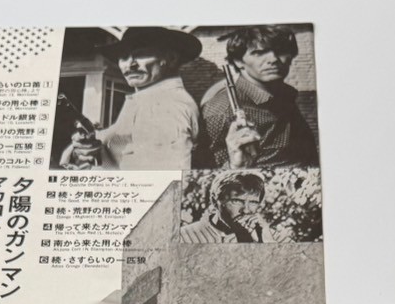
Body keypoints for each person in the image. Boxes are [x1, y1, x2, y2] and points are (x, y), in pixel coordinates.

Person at [60, 27, 202, 170]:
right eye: (123, 57)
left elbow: (158, 177)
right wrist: (88, 147)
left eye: (141, 54)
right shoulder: (148, 99)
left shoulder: (164, 106)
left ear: (171, 59)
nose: (130, 65)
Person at [200, 25, 318, 168]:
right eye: (259, 53)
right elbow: (205, 171)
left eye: (281, 51)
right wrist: (233, 166)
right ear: (238, 61)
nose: (273, 59)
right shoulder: (221, 111)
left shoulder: (284, 96)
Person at [177, 172, 267, 244]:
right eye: (236, 201)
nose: (246, 210)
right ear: (215, 201)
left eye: (253, 202)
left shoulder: (267, 236)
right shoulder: (183, 236)